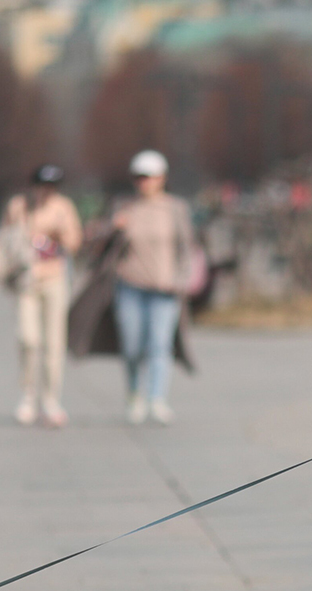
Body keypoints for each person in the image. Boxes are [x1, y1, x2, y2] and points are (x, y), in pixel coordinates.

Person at [111, 149, 197, 425]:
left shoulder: (175, 209)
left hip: (164, 288)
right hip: (130, 285)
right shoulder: (125, 207)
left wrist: (182, 279)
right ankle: (134, 394)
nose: (144, 182)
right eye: (138, 177)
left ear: (162, 178)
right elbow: (102, 249)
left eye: (149, 176)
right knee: (133, 346)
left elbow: (187, 248)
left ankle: (157, 399)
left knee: (160, 345)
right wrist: (114, 229)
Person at [3, 164, 83, 427]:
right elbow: (6, 237)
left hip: (54, 278)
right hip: (26, 279)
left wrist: (59, 234)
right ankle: (27, 396)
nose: (46, 191)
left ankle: (51, 399)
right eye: (42, 185)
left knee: (54, 342)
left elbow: (74, 243)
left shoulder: (63, 207)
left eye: (52, 186)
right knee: (28, 339)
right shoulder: (19, 206)